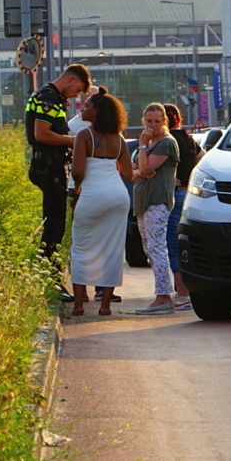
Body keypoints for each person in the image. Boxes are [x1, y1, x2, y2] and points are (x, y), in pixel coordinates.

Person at [69, 88, 132, 316]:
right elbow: (126, 174)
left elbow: (77, 172)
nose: (82, 109)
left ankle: (79, 305)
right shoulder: (119, 138)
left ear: (96, 111)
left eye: (86, 106)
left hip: (92, 194)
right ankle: (105, 306)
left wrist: (76, 189)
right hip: (117, 196)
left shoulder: (84, 136)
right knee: (112, 249)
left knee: (82, 247)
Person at [26, 64, 92, 274]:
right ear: (71, 80)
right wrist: (74, 141)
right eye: (77, 90)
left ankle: (47, 270)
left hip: (48, 165)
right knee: (55, 226)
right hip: (49, 167)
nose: (75, 96)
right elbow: (42, 134)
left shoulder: (46, 96)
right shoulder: (49, 99)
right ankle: (49, 274)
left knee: (55, 223)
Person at [132, 103, 179, 315]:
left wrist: (142, 148)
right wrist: (140, 171)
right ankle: (162, 295)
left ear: (164, 122)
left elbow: (144, 167)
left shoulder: (165, 143)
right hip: (144, 201)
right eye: (149, 121)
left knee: (157, 247)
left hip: (157, 201)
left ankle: (163, 297)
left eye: (157, 122)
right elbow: (133, 170)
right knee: (149, 248)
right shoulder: (151, 143)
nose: (152, 126)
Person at [163, 104, 205, 311]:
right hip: (188, 194)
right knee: (182, 241)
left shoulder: (165, 141)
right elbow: (202, 158)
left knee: (171, 242)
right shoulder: (188, 140)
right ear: (179, 119)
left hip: (172, 195)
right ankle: (184, 289)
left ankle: (181, 292)